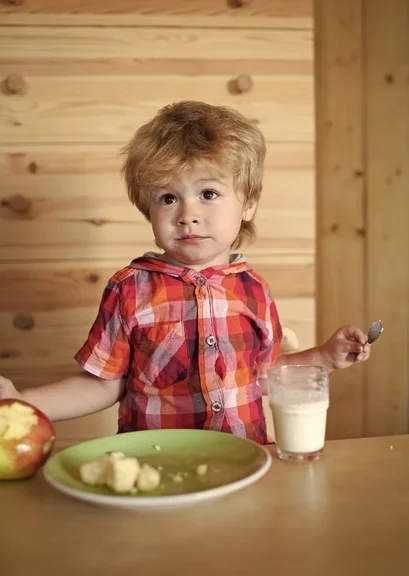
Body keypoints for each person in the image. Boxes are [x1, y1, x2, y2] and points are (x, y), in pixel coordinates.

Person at [0, 101, 370, 445]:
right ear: (149, 211)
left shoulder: (254, 290)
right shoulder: (129, 290)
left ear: (248, 205)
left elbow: (263, 376)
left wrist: (323, 357)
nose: (187, 214)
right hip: (157, 468)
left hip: (246, 463)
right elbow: (102, 387)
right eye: (168, 198)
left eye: (208, 194)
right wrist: (22, 402)